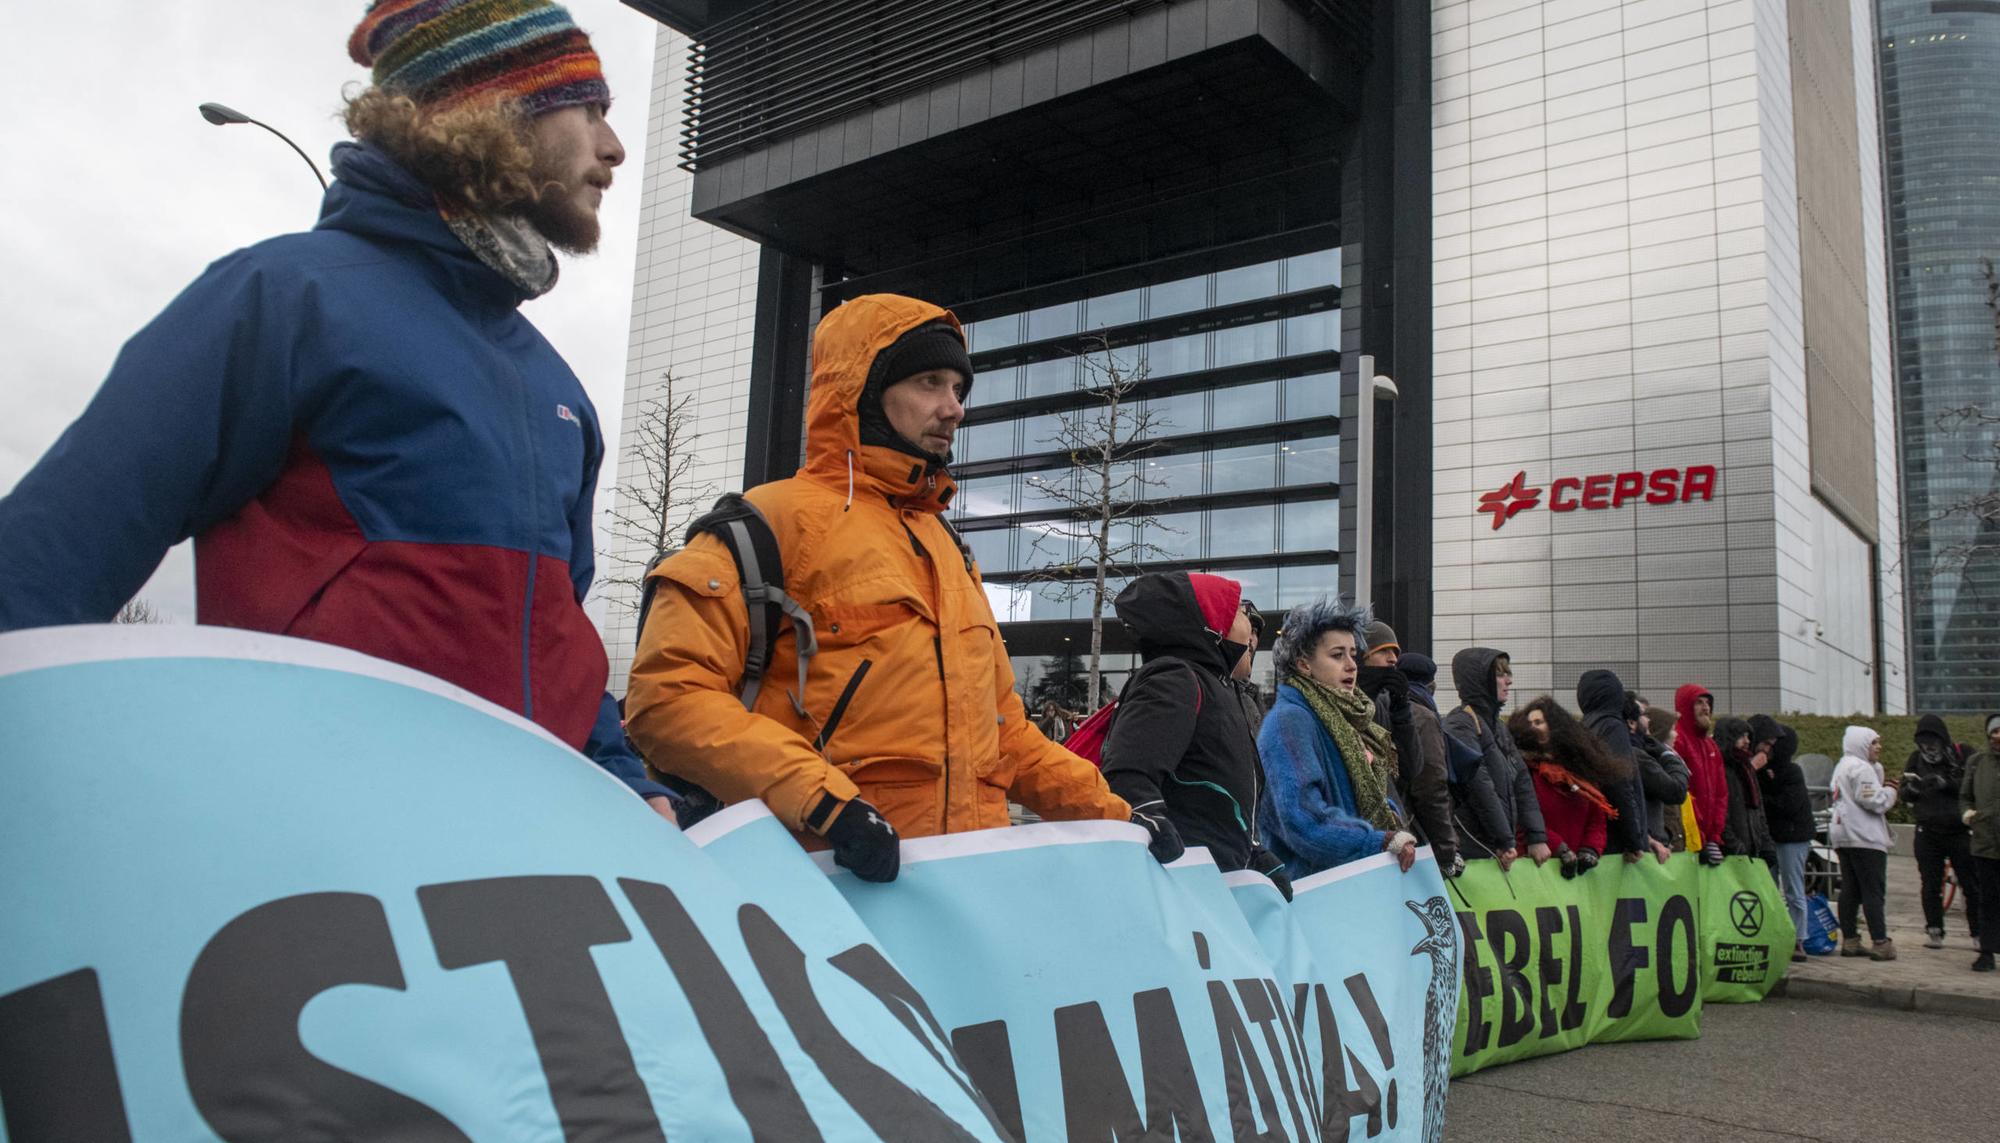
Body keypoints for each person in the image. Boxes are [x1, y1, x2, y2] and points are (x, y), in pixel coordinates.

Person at [0, 0, 674, 816]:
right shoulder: (285, 298)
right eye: (590, 108)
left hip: (527, 876)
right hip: (311, 860)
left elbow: (560, 637)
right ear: (495, 110)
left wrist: (624, 778)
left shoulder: (559, 387)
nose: (614, 146)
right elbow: (41, 568)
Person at [624, 294, 1142, 882]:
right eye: (929, 382)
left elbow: (1006, 737)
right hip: (819, 897)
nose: (953, 409)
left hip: (970, 898)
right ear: (863, 390)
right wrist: (824, 803)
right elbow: (668, 700)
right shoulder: (767, 526)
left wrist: (1119, 816)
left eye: (958, 389)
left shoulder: (950, 551)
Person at [1097, 572, 1288, 894]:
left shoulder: (1219, 689)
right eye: (1240, 611)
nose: (1251, 625)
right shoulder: (1174, 677)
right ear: (1214, 623)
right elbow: (1128, 774)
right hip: (1178, 884)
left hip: (1216, 881)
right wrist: (1148, 821)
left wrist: (1256, 854)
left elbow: (1219, 798)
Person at [1255, 599, 1419, 878]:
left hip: (1350, 881)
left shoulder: (1344, 716)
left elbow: (1364, 796)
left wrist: (1390, 817)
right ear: (1304, 664)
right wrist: (1377, 841)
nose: (1351, 665)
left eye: (1353, 654)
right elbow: (1302, 819)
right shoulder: (1290, 721)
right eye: (1337, 655)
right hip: (1315, 891)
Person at [1357, 622, 1456, 875]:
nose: (1392, 659)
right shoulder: (1346, 703)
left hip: (1395, 838)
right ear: (1363, 655)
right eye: (1383, 651)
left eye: (1396, 653)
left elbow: (1412, 769)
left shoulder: (1387, 702)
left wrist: (1401, 712)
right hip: (1365, 842)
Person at [1443, 649, 1551, 870]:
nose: (1508, 681)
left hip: (1495, 847)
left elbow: (1521, 781)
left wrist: (1536, 835)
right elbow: (1480, 787)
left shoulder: (1498, 726)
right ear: (1480, 681)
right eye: (1500, 675)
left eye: (1508, 674)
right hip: (1474, 847)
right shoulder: (1461, 723)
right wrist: (1504, 840)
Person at [1507, 698, 1630, 878]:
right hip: (1536, 869)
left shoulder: (1580, 772)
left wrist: (1590, 850)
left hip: (1576, 875)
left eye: (1539, 722)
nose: (1533, 727)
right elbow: (1523, 819)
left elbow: (1596, 819)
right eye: (1529, 723)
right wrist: (1559, 848)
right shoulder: (1523, 769)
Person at [1902, 713, 1981, 950]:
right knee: (1930, 883)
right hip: (1928, 831)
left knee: (1971, 884)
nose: (1929, 749)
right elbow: (1904, 791)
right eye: (1924, 744)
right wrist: (1912, 790)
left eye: (1933, 743)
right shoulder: (1916, 758)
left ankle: (1979, 933)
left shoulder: (1961, 753)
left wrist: (1946, 784)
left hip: (1959, 831)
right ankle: (1934, 929)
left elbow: (1973, 785)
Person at [1575, 670, 1671, 863]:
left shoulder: (1585, 726)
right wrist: (1635, 839)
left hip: (1598, 837)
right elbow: (1621, 783)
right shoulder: (1612, 726)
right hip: (1617, 843)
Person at [1829, 726, 1898, 960]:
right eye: (1874, 743)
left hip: (1843, 834)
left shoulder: (1842, 765)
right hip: (1865, 837)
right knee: (1873, 890)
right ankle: (1880, 941)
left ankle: (1850, 940)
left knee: (1850, 889)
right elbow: (1874, 801)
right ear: (1861, 745)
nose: (1879, 747)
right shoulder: (1860, 768)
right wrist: (1891, 790)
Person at [1394, 652, 1465, 876]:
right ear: (1430, 685)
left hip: (1396, 838)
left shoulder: (1380, 706)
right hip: (1415, 839)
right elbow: (1431, 787)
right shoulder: (1423, 717)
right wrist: (1446, 849)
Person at [1756, 719, 1816, 961]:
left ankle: (1798, 939)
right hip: (1773, 836)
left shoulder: (1791, 772)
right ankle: (1775, 933)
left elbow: (1788, 804)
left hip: (1793, 837)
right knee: (1770, 886)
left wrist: (1764, 799)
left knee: (1793, 888)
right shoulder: (1762, 770)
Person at [1961, 714, 2000, 972]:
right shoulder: (1976, 762)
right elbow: (1965, 796)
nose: (1997, 737)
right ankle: (1987, 951)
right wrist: (1967, 813)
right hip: (1985, 843)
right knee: (1988, 899)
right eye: (1994, 732)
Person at [1673, 685, 1729, 865]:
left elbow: (1721, 793)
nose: (1706, 708)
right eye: (1699, 702)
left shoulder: (1711, 746)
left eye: (1708, 703)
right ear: (1685, 707)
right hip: (1687, 838)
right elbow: (1683, 793)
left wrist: (1714, 835)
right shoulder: (1678, 741)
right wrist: (1699, 837)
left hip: (1708, 841)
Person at [1628, 695, 1691, 852]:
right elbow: (1675, 791)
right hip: (1655, 849)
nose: (1676, 734)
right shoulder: (1643, 759)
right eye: (1672, 729)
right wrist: (1669, 756)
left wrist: (1667, 835)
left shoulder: (1644, 757)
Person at [1717, 716, 1777, 865]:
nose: (1747, 741)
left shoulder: (1746, 769)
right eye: (1741, 736)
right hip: (1731, 854)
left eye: (1748, 736)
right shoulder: (1720, 769)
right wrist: (1736, 847)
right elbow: (1720, 813)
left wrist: (1766, 845)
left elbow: (1758, 811)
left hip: (1751, 850)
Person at [1225, 598, 1270, 730]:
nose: (1250, 638)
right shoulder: (1207, 688)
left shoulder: (1252, 694)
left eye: (1254, 631)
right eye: (1243, 628)